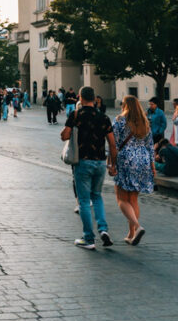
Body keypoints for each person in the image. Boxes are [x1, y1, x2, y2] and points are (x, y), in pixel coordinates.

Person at [61, 85, 117, 250]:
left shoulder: (76, 115)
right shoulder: (104, 117)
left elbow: (65, 135)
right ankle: (103, 229)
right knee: (97, 196)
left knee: (84, 200)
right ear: (94, 99)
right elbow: (112, 144)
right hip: (100, 162)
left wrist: (69, 133)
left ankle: (89, 238)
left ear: (80, 97)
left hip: (83, 161)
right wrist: (113, 165)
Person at [112, 96, 155, 245]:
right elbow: (150, 146)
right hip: (143, 159)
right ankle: (131, 234)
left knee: (121, 198)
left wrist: (111, 163)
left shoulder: (119, 120)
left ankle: (137, 227)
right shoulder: (145, 122)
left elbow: (114, 144)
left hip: (126, 159)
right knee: (133, 199)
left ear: (124, 105)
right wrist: (152, 166)